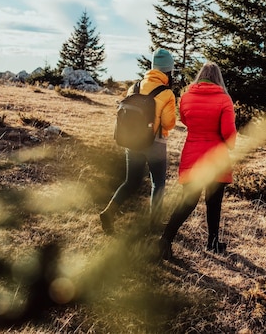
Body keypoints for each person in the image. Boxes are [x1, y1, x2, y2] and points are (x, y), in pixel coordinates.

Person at [158, 62, 237, 259]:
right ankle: (212, 243)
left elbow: (185, 120)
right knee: (214, 203)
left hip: (192, 155)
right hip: (215, 158)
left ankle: (165, 239)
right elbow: (228, 132)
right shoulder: (224, 99)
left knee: (188, 201)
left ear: (200, 76)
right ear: (218, 78)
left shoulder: (186, 97)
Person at [100, 48, 177, 234]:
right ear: (168, 70)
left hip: (132, 142)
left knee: (131, 181)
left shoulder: (134, 87)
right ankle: (154, 224)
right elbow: (169, 123)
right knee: (157, 183)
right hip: (155, 144)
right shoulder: (166, 93)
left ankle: (108, 212)